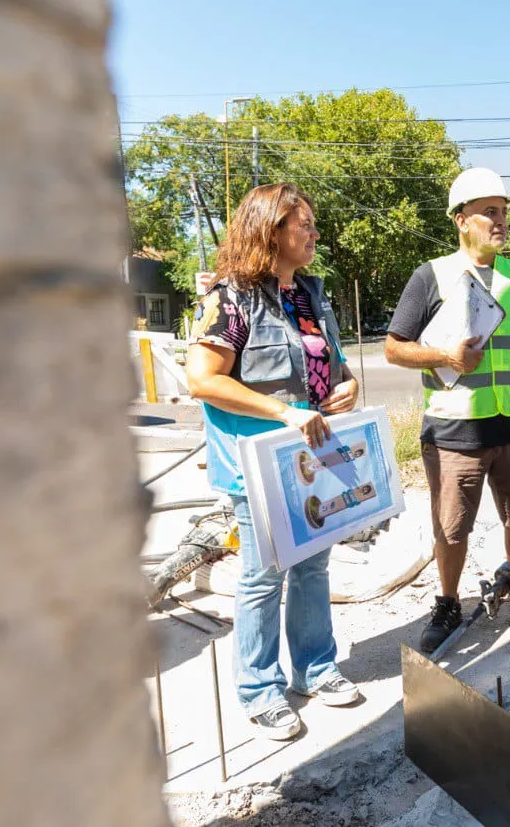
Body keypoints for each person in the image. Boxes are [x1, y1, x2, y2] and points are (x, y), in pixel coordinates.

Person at [186, 183, 362, 741]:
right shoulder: (231, 298)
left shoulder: (310, 294)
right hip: (255, 465)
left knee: (312, 564)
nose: (314, 233)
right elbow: (202, 380)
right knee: (264, 575)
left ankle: (314, 668)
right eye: (303, 224)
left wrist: (348, 386)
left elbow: (330, 366)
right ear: (271, 229)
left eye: (312, 223)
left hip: (312, 459)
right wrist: (281, 413)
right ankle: (259, 689)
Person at [384, 168, 510, 654]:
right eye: (489, 212)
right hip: (455, 430)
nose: (501, 221)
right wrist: (445, 357)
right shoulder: (431, 275)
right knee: (451, 527)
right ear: (462, 221)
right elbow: (394, 349)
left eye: (503, 211)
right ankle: (447, 602)